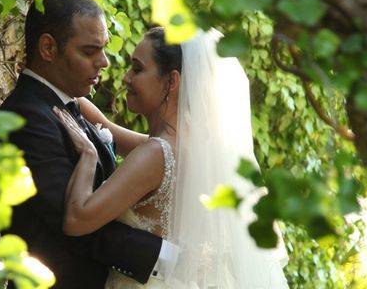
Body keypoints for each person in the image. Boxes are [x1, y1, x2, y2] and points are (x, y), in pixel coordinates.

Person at [55, 27, 289, 288]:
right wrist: (60, 88)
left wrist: (88, 155)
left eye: (138, 69)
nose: (126, 79)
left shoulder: (155, 154)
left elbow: (77, 221)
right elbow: (107, 127)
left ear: (172, 82)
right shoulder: (192, 146)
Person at [0, 0, 177, 289]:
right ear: (48, 48)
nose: (104, 62)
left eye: (104, 49)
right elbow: (72, 226)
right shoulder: (28, 117)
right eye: (89, 51)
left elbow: (164, 150)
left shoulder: (69, 105)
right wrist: (171, 258)